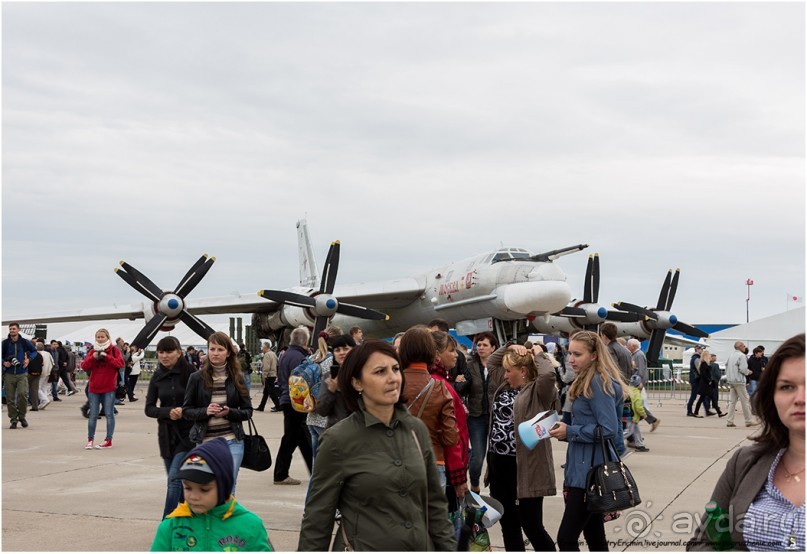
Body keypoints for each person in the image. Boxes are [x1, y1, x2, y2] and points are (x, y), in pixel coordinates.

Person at [297, 340, 456, 551]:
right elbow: (318, 519)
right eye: (380, 371)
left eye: (396, 369)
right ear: (357, 383)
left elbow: (435, 506)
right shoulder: (338, 440)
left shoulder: (415, 430)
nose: (392, 378)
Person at [687, 333, 804, 552]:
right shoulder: (745, 462)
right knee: (740, 401)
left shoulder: (728, 357)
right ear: (772, 396)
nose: (800, 398)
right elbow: (702, 542)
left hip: (732, 382)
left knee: (733, 403)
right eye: (787, 387)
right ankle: (744, 418)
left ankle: (732, 418)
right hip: (739, 382)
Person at [549, 330, 627, 551]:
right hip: (582, 469)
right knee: (595, 537)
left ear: (594, 355)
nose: (571, 359)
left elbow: (609, 429)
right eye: (569, 353)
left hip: (590, 475)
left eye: (577, 354)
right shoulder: (584, 380)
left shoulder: (596, 383)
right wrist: (563, 430)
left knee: (566, 539)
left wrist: (571, 431)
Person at [486, 342, 558, 551]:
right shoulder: (505, 384)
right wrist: (510, 346)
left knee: (531, 524)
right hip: (499, 464)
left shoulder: (538, 390)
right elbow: (492, 362)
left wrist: (538, 352)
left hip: (525, 467)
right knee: (508, 523)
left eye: (509, 370)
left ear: (523, 371)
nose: (505, 374)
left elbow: (547, 376)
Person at [150, 437, 273, 551]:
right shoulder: (172, 526)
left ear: (224, 486)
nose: (194, 496)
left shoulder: (250, 525)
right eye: (188, 488)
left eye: (204, 489)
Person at [182, 331, 253, 491]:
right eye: (212, 349)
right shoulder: (196, 378)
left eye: (220, 349)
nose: (215, 353)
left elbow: (248, 411)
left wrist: (230, 412)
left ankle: (226, 516)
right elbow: (186, 411)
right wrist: (205, 411)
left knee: (227, 487)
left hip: (232, 441)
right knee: (207, 487)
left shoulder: (237, 378)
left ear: (228, 353)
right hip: (206, 443)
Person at [399, 326, 458, 489]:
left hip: (397, 459)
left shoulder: (394, 383)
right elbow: (451, 437)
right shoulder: (439, 387)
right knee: (431, 513)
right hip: (432, 459)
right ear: (431, 351)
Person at [145, 336, 197, 519]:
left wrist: (185, 411)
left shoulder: (191, 373)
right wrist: (167, 412)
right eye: (161, 352)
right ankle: (186, 521)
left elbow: (201, 402)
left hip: (188, 434)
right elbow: (149, 408)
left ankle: (166, 523)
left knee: (174, 480)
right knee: (178, 484)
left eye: (169, 352)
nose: (164, 356)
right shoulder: (157, 377)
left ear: (179, 353)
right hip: (166, 435)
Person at [429, 331, 469, 503]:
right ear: (437, 354)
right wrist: (459, 477)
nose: (456, 354)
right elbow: (450, 435)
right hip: (446, 466)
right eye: (451, 350)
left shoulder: (438, 381)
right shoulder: (441, 385)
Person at [273, 326, 313, 486]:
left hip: (287, 400)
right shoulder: (299, 358)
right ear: (304, 341)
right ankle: (280, 474)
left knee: (301, 437)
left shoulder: (286, 355)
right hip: (296, 402)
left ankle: (314, 470)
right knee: (292, 438)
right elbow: (301, 382)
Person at [464, 331, 499, 493]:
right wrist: (460, 382)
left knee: (496, 456)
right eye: (479, 345)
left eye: (485, 345)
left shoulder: (500, 367)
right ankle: (474, 484)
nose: (481, 348)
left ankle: (496, 486)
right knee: (478, 455)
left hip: (496, 417)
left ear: (493, 348)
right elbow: (462, 389)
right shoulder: (469, 365)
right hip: (475, 416)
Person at [81, 328, 124, 448]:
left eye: (102, 337)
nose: (100, 339)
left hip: (109, 387)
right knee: (93, 415)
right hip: (94, 387)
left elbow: (120, 364)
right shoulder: (93, 350)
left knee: (109, 414)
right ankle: (90, 439)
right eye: (98, 337)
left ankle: (108, 440)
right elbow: (84, 366)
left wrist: (107, 357)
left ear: (107, 337)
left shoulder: (114, 350)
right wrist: (93, 357)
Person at [314, 334, 356, 428]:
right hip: (336, 430)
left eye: (345, 349)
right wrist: (331, 391)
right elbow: (322, 411)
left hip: (359, 431)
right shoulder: (328, 377)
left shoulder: (362, 375)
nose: (342, 353)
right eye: (337, 350)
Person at [3, 324, 37, 429]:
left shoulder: (24, 342)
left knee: (23, 394)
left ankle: (22, 416)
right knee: (10, 398)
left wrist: (28, 359)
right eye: (10, 329)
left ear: (18, 330)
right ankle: (13, 420)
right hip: (9, 374)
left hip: (22, 373)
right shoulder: (5, 343)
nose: (12, 330)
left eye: (14, 329)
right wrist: (4, 362)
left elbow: (34, 351)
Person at [725, 341, 756, 428]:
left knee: (732, 402)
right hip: (739, 380)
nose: (745, 347)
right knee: (745, 401)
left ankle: (729, 421)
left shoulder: (731, 355)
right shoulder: (742, 356)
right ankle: (748, 420)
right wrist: (748, 372)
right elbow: (743, 369)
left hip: (731, 380)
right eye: (744, 346)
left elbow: (726, 366)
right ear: (740, 347)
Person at [624, 374, 650, 452]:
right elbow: (639, 407)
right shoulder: (637, 394)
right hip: (632, 417)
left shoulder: (628, 390)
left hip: (627, 415)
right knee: (628, 431)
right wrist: (644, 415)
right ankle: (616, 441)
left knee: (637, 431)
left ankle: (640, 445)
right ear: (638, 384)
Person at [255, 341, 280, 412]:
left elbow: (266, 367)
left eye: (262, 347)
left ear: (265, 347)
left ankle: (278, 406)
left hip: (269, 375)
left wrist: (264, 376)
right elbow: (277, 363)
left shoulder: (267, 355)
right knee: (266, 392)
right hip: (273, 374)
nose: (262, 349)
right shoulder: (273, 354)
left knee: (272, 392)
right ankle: (261, 406)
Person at [688, 345, 704, 417]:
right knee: (693, 395)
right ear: (697, 349)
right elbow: (699, 369)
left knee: (694, 395)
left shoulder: (693, 358)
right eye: (701, 349)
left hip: (693, 378)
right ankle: (689, 411)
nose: (702, 350)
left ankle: (691, 410)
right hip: (695, 379)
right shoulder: (696, 359)